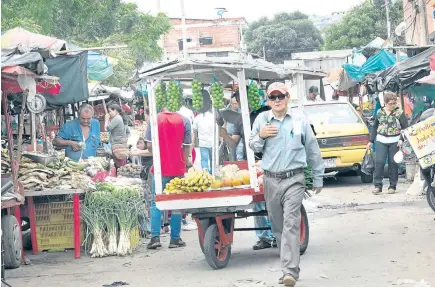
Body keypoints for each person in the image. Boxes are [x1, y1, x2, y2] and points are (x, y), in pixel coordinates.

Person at [249, 82, 324, 287]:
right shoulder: (262, 120)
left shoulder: (299, 121)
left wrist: (318, 177)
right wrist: (261, 136)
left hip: (294, 179)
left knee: (291, 223)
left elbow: (312, 149)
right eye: (272, 97)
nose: (277, 101)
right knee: (278, 226)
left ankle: (289, 271)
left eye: (280, 96)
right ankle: (291, 266)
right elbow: (252, 145)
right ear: (268, 100)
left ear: (287, 98)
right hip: (271, 179)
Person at [219, 89, 276, 251]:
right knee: (257, 201)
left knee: (271, 199)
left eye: (243, 99)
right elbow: (233, 143)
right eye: (239, 101)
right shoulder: (238, 120)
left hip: (268, 160)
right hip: (250, 163)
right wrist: (223, 134)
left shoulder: (266, 113)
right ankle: (264, 237)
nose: (241, 103)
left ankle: (276, 233)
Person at [144, 107, 192, 249]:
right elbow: (187, 146)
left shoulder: (153, 120)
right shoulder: (185, 120)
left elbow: (149, 145)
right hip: (178, 168)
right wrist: (184, 164)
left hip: (160, 168)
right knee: (176, 203)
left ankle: (155, 237)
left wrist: (160, 156)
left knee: (156, 202)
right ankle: (175, 239)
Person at [367, 91, 408, 194]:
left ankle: (392, 186)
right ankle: (378, 186)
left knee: (393, 163)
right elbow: (375, 126)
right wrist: (371, 141)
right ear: (385, 103)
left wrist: (401, 139)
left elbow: (405, 128)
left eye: (394, 103)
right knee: (379, 162)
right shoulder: (379, 112)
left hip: (395, 140)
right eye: (391, 103)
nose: (393, 105)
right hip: (381, 140)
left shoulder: (399, 113)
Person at [105, 104, 130, 168]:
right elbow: (128, 132)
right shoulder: (120, 118)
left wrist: (106, 120)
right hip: (121, 144)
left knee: (119, 166)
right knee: (121, 165)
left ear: (115, 110)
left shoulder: (117, 118)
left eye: (110, 111)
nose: (109, 113)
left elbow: (107, 128)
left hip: (117, 145)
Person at [193, 108, 214, 174]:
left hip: (203, 143)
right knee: (212, 159)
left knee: (204, 159)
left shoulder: (197, 118)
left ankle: (205, 174)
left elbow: (194, 130)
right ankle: (212, 173)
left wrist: (194, 141)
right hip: (212, 142)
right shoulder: (213, 117)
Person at [226, 93, 245, 161]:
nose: (235, 105)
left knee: (239, 154)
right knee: (232, 154)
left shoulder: (242, 111)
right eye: (233, 103)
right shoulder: (227, 111)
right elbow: (225, 123)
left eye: (236, 103)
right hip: (230, 136)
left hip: (240, 137)